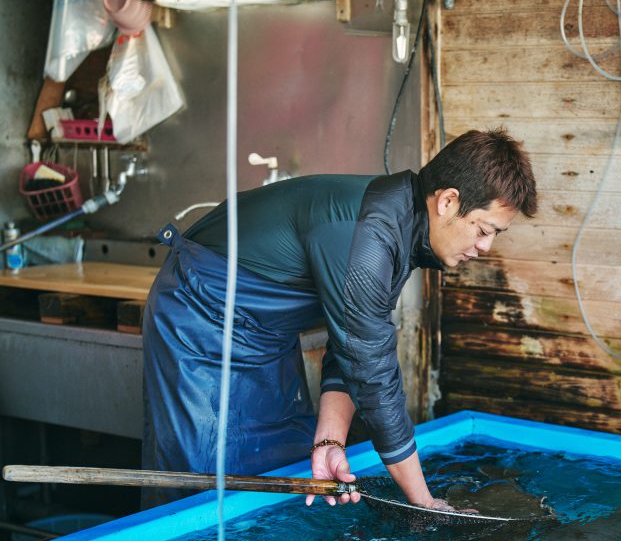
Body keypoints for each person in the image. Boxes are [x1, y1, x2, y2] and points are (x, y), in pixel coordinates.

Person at [142, 129, 537, 509]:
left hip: (263, 331)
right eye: (484, 230)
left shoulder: (402, 224)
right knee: (205, 481)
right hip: (201, 316)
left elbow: (348, 344)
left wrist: (329, 441)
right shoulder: (370, 235)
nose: (485, 247)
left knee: (281, 468)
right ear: (448, 201)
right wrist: (425, 501)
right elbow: (373, 375)